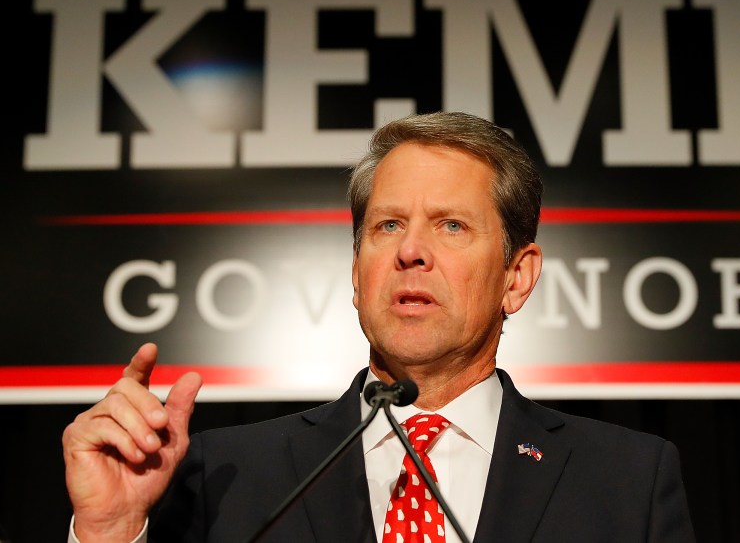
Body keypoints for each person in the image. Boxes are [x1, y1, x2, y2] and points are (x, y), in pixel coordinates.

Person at [63, 111, 696, 542]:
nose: (410, 252)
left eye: (451, 225)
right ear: (358, 271)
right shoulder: (223, 476)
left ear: (518, 277)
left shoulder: (626, 480)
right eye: (387, 225)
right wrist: (109, 534)